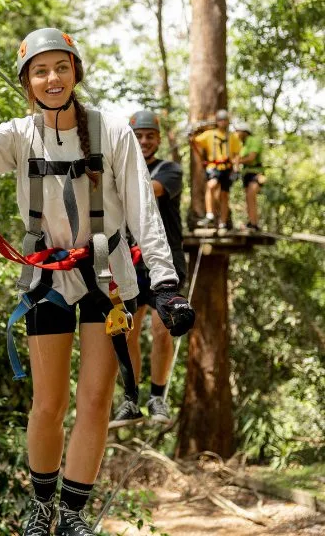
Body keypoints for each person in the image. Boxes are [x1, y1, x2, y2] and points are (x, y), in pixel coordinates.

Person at [0, 28, 195, 535]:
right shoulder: (19, 135)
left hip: (108, 276)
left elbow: (145, 213)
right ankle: (41, 508)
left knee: (96, 400)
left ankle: (73, 515)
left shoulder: (113, 133)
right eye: (40, 70)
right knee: (48, 402)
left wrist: (165, 285)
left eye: (61, 67)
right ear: (27, 82)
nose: (52, 77)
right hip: (48, 274)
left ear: (75, 72)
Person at [109, 110, 188, 429]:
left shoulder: (168, 171)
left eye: (149, 136)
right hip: (129, 260)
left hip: (163, 261)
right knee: (127, 329)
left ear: (157, 139)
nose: (144, 141)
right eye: (138, 136)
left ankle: (157, 397)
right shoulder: (121, 169)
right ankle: (131, 399)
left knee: (161, 328)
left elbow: (148, 191)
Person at [192, 109, 242, 230]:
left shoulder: (232, 137)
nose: (223, 122)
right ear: (217, 121)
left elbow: (236, 155)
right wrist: (193, 130)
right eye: (220, 120)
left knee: (224, 195)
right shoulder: (210, 134)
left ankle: (223, 222)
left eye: (225, 120)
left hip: (227, 168)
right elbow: (194, 141)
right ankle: (210, 214)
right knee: (211, 185)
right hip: (213, 167)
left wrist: (236, 169)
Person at [236, 122, 265, 231]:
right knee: (248, 198)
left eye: (238, 131)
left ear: (244, 132)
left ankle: (254, 223)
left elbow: (252, 157)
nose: (237, 134)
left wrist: (238, 161)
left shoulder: (254, 140)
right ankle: (251, 222)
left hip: (256, 173)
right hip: (246, 174)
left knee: (251, 196)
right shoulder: (242, 144)